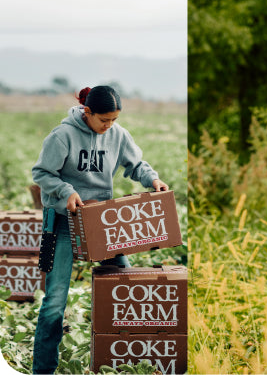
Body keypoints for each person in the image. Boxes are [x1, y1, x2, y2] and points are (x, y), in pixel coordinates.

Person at [31, 85, 168, 374]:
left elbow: (136, 164)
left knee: (125, 288)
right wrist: (65, 191)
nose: (109, 126)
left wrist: (152, 180)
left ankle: (125, 363)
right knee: (55, 303)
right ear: (87, 111)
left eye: (114, 120)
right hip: (63, 224)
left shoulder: (117, 134)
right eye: (103, 120)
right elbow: (41, 172)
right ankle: (42, 370)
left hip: (102, 224)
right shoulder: (63, 135)